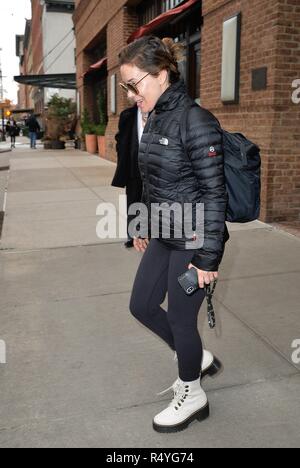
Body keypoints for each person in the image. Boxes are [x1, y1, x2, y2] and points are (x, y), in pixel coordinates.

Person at [119, 36, 230, 433]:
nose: (132, 94)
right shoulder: (154, 119)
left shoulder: (195, 120)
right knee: (142, 306)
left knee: (183, 321)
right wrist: (144, 224)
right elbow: (151, 182)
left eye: (135, 84)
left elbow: (215, 194)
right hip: (165, 232)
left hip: (195, 238)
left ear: (162, 75)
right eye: (125, 87)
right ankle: (196, 357)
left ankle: (192, 392)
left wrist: (207, 259)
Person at [112, 105, 148, 248]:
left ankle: (148, 235)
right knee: (133, 202)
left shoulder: (159, 112)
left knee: (152, 202)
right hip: (133, 166)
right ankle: (132, 235)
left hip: (154, 168)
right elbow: (121, 138)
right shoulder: (128, 114)